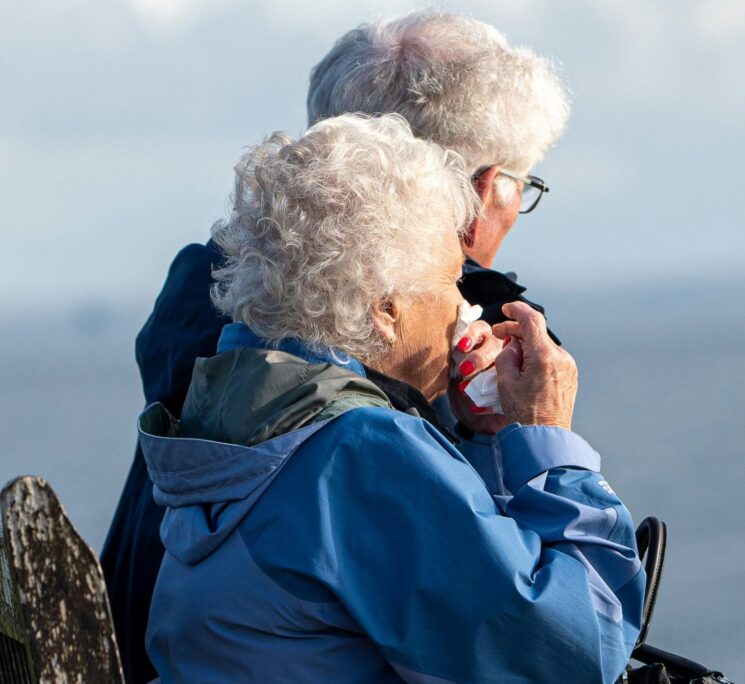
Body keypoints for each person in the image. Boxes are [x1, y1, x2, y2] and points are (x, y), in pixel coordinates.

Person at [100, 11, 572, 681]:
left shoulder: (219, 298)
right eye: (523, 186)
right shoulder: (453, 342)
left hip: (133, 641)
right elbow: (546, 639)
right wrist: (537, 442)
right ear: (476, 191)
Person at [140, 113, 643, 682]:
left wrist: (485, 439)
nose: (464, 306)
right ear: (385, 309)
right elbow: (577, 651)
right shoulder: (359, 450)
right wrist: (548, 439)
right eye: (451, 280)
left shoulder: (241, 414)